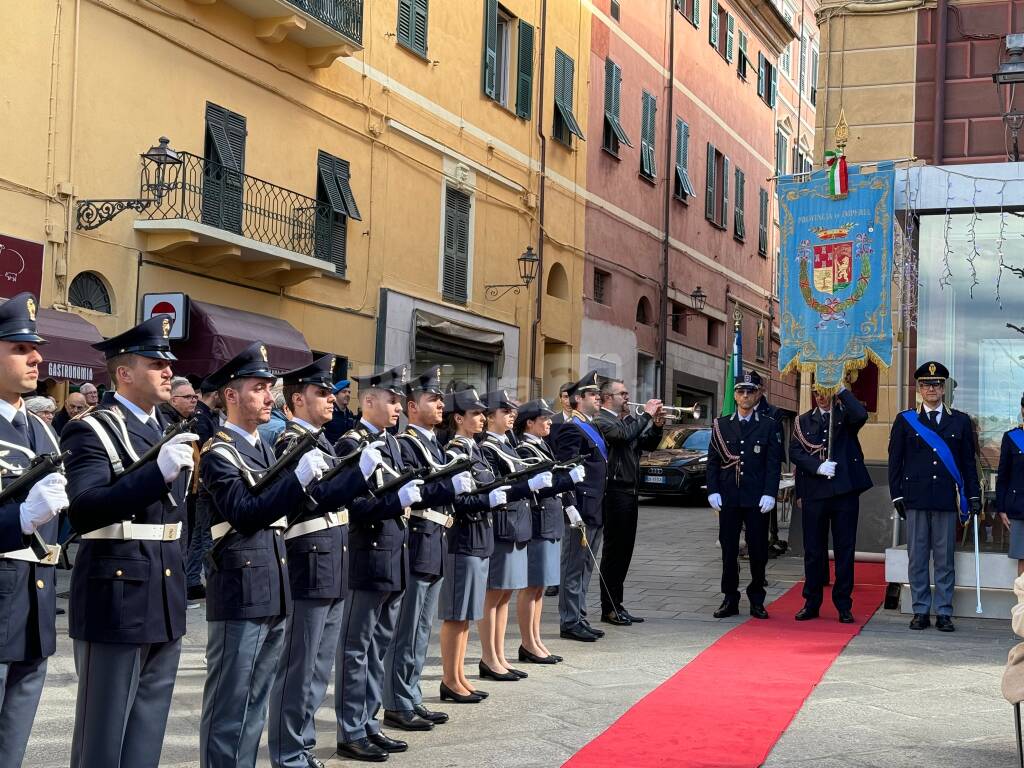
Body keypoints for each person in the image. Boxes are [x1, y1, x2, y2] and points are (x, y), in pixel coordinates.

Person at [62, 314, 197, 768]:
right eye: (155, 363)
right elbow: (84, 508)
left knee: (147, 727)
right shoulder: (92, 428)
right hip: (116, 592)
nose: (168, 372)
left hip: (163, 589)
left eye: (169, 365)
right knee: (104, 734)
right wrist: (153, 474)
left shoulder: (166, 429)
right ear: (123, 373)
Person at [197, 342, 332, 768]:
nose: (269, 396)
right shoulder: (219, 451)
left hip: (272, 585)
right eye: (258, 388)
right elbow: (245, 513)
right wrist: (299, 480)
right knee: (230, 704)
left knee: (255, 701)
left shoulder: (264, 448)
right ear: (231, 395)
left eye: (269, 387)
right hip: (240, 587)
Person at [268, 355, 376, 768]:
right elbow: (311, 501)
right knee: (299, 666)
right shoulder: (290, 442)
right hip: (308, 561)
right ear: (297, 399)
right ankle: (289, 751)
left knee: (315, 670)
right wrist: (357, 475)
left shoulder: (320, 439)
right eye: (321, 392)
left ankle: (303, 745)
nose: (331, 399)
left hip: (332, 559)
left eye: (331, 392)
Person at [333, 366, 428, 763]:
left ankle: (370, 721)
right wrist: (397, 501)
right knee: (356, 647)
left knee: (378, 646)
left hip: (394, 553)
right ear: (368, 400)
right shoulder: (350, 443)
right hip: (367, 553)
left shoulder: (392, 444)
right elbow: (351, 506)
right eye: (391, 400)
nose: (396, 408)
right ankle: (351, 728)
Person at [383, 366, 475, 732]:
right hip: (419, 537)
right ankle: (396, 701)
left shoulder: (434, 443)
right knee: (406, 628)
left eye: (440, 399)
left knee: (422, 628)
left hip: (436, 539)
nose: (439, 404)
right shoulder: (407, 445)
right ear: (411, 406)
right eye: (432, 399)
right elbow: (419, 489)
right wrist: (451, 487)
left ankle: (411, 695)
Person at [0, 293, 68, 766]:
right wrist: (19, 519)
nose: (36, 357)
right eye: (20, 348)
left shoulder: (42, 430)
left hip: (34, 588)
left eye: (35, 347)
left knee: (18, 720)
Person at [888, 360, 981, 632]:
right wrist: (896, 497)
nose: (932, 388)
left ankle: (943, 611)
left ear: (944, 389)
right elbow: (895, 462)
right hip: (915, 498)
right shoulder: (906, 420)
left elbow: (967, 464)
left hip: (945, 499)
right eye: (927, 384)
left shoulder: (960, 421)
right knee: (917, 557)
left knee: (944, 558)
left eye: (937, 384)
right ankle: (919, 610)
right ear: (919, 388)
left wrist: (973, 495)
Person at [438, 387, 509, 704]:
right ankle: (449, 679)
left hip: (480, 538)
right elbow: (459, 499)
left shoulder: (475, 450)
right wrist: (487, 498)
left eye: (483, 413)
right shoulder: (456, 451)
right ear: (458, 419)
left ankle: (459, 675)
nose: (482, 418)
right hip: (463, 538)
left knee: (467, 613)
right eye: (476, 414)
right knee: (456, 614)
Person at [477, 392, 552, 682]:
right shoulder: (488, 447)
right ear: (490, 415)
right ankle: (489, 657)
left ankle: (499, 655)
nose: (511, 415)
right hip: (502, 524)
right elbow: (500, 487)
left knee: (505, 594)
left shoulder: (507, 444)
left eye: (512, 411)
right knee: (494, 594)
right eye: (504, 410)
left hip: (516, 523)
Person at [790, 383, 871, 623]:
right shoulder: (802, 421)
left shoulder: (845, 416)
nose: (821, 397)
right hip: (815, 492)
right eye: (817, 392)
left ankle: (843, 605)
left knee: (845, 551)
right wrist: (817, 467)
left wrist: (842, 390)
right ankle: (811, 602)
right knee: (813, 551)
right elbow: (795, 452)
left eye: (826, 391)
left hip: (844, 492)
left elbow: (862, 414)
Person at [707, 371, 783, 620]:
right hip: (729, 497)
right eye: (740, 391)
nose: (745, 396)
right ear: (735, 395)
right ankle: (729, 597)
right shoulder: (721, 424)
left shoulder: (769, 424)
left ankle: (757, 598)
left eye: (750, 391)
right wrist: (713, 490)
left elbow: (773, 464)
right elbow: (713, 462)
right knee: (729, 550)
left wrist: (770, 493)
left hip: (756, 498)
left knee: (758, 550)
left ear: (758, 394)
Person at [513, 399, 583, 664]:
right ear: (529, 423)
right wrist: (567, 479)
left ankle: (535, 638)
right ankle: (528, 643)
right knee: (532, 586)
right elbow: (541, 486)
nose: (549, 423)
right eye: (544, 419)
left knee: (540, 587)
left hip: (551, 519)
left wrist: (569, 505)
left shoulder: (542, 445)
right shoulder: (524, 449)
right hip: (538, 520)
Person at [593, 379, 663, 626]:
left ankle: (617, 604)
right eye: (622, 393)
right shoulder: (602, 421)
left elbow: (647, 444)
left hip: (630, 490)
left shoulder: (625, 421)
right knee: (614, 552)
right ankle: (608, 608)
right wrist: (645, 414)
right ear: (607, 398)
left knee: (625, 551)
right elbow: (623, 437)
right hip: (614, 491)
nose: (627, 397)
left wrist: (656, 425)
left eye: (626, 392)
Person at [553, 371, 609, 642]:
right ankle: (569, 620)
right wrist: (570, 506)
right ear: (578, 399)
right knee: (573, 565)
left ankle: (580, 616)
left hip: (596, 506)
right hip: (581, 507)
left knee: (587, 564)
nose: (598, 397)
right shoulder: (570, 428)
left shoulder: (592, 425)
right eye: (592, 394)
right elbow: (566, 471)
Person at [185, 378, 221, 602]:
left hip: (203, 484)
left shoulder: (206, 415)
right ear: (216, 393)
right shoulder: (201, 417)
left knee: (200, 535)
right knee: (206, 535)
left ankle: (192, 580)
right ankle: (209, 580)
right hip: (205, 483)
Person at [997, 393, 1024, 576]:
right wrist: (1001, 507)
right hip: (1020, 508)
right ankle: (1022, 604)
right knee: (1023, 559)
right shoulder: (1012, 437)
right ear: (1022, 410)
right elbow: (1003, 475)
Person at [323, 378, 357, 445]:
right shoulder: (329, 411)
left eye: (349, 392)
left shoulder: (349, 413)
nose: (347, 394)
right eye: (344, 392)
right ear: (335, 395)